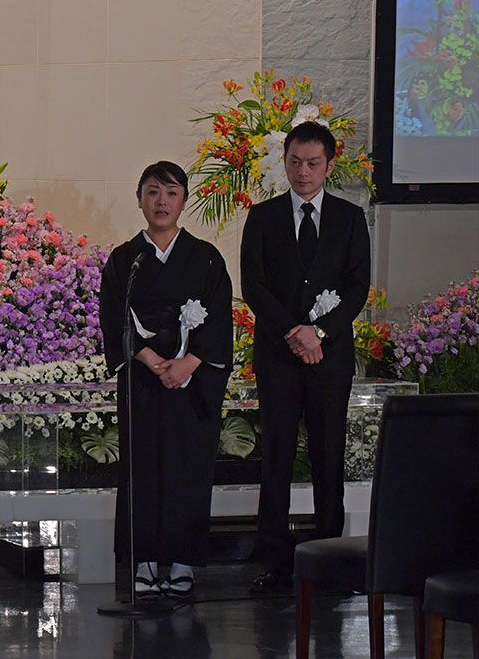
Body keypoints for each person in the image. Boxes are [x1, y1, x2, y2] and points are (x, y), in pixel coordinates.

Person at [240, 121, 371, 593]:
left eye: (313, 163)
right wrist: (294, 332)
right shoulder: (263, 216)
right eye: (294, 162)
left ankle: (330, 558)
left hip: (330, 357)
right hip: (278, 355)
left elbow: (358, 286)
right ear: (285, 162)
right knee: (274, 455)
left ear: (330, 165)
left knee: (327, 454)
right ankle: (274, 559)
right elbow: (254, 285)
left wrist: (319, 332)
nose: (303, 172)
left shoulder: (350, 218)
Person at [100, 161, 233, 600]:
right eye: (153, 192)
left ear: (184, 200)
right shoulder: (125, 260)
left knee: (187, 468)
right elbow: (112, 319)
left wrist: (187, 363)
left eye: (171, 193)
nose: (161, 202)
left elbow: (218, 321)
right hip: (144, 380)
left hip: (191, 385)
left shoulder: (207, 257)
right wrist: (155, 361)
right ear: (139, 198)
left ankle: (181, 561)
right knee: (143, 468)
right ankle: (144, 560)